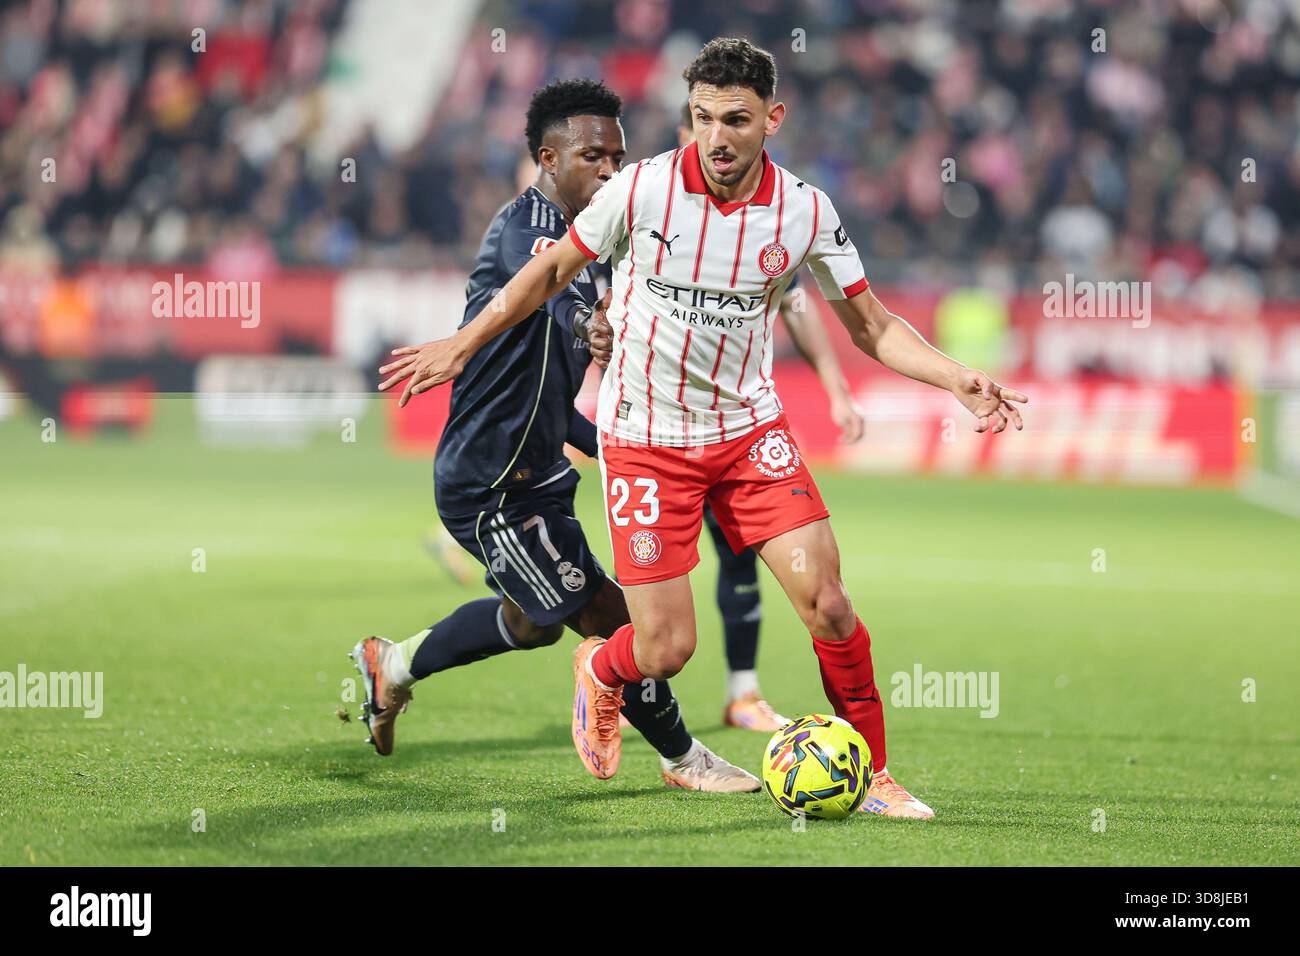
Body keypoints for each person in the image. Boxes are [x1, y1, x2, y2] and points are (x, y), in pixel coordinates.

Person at [379, 40, 1028, 819]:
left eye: (736, 120)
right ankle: (605, 669)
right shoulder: (644, 190)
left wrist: (957, 377)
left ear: (772, 120)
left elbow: (874, 326)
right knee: (665, 650)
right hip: (648, 440)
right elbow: (548, 272)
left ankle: (876, 775)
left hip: (750, 432)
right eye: (702, 117)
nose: (717, 137)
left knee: (829, 603)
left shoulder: (807, 211)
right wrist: (462, 341)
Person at [355, 79, 758, 793]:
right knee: (611, 616)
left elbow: (555, 392)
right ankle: (683, 758)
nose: (609, 170)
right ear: (548, 157)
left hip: (539, 471)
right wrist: (587, 322)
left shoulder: (593, 242)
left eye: (618, 158)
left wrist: (618, 447)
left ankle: (391, 665)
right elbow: (541, 288)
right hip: (491, 485)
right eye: (592, 156)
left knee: (531, 620)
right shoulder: (527, 230)